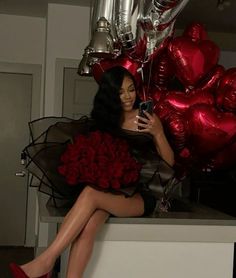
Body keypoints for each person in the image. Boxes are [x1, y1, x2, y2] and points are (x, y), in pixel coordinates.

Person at [10, 66, 175, 278]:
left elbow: (168, 164)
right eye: (120, 92)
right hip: (112, 191)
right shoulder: (105, 121)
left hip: (140, 195)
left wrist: (158, 133)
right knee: (87, 228)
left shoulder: (148, 120)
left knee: (90, 193)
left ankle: (45, 262)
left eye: (131, 89)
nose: (127, 96)